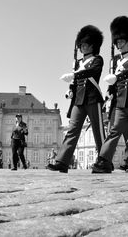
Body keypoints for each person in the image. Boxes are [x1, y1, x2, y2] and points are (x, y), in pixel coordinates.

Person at [92, 15, 128, 174]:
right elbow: (113, 84)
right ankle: (103, 160)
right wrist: (108, 94)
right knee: (114, 131)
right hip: (119, 103)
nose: (118, 44)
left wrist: (118, 76)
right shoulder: (115, 62)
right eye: (117, 41)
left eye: (121, 41)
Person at [48, 25, 105, 173]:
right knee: (72, 130)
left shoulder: (97, 60)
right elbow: (75, 84)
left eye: (86, 44)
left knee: (98, 132)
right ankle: (62, 161)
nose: (83, 47)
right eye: (81, 45)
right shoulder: (78, 63)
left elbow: (93, 72)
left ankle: (105, 161)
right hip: (79, 100)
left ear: (93, 45)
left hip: (93, 98)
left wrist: (75, 74)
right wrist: (70, 91)